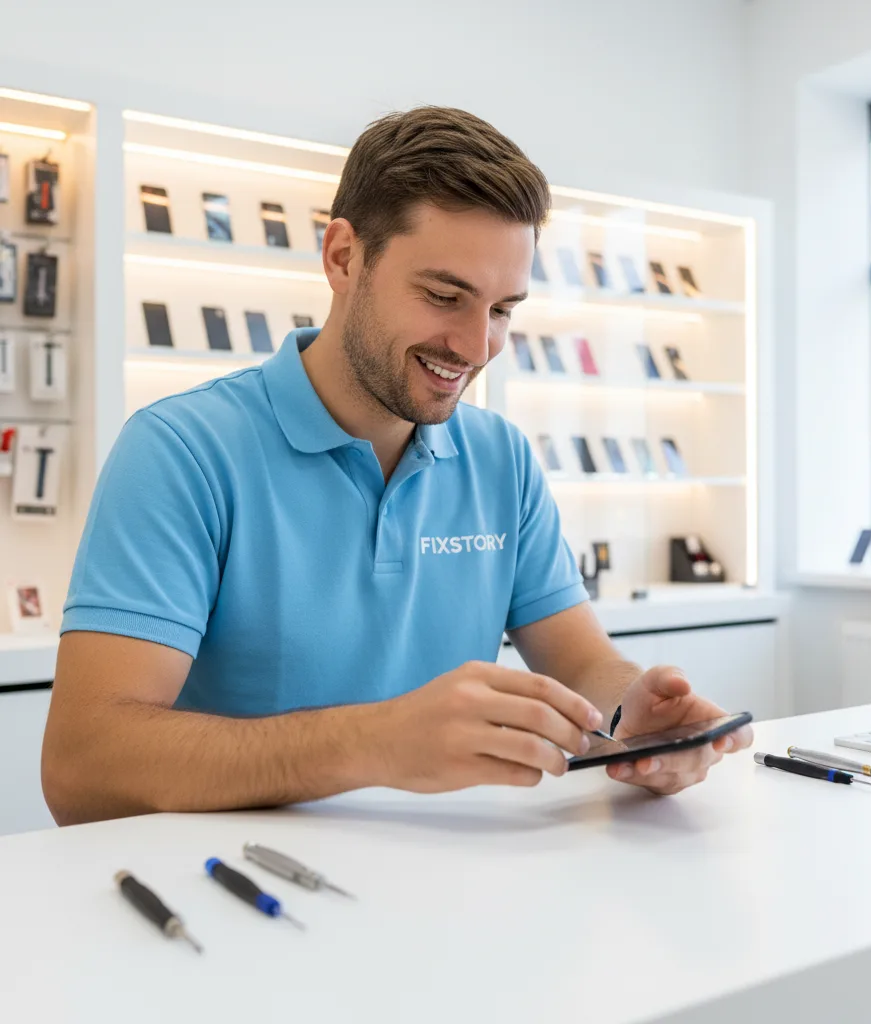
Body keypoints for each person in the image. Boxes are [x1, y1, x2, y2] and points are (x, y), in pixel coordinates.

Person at [42, 106, 752, 825]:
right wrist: (375, 742)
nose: (477, 346)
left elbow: (584, 663)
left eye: (503, 309)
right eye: (444, 296)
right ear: (344, 257)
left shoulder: (501, 457)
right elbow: (84, 767)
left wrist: (639, 712)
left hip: (453, 884)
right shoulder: (181, 450)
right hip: (242, 896)